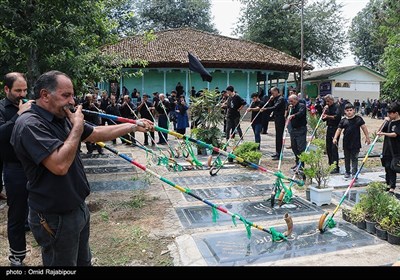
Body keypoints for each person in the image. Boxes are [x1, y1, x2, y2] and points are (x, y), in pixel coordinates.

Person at [10, 70, 154, 266]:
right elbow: (59, 165)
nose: (72, 101)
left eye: (72, 95)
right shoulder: (30, 124)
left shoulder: (60, 116)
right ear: (45, 95)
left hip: (77, 207)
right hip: (54, 216)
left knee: (83, 262)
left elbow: (94, 132)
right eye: (65, 95)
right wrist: (77, 127)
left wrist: (132, 126)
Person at [0, 72, 33, 266]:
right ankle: (17, 256)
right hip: (14, 169)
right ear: (6, 89)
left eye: (25, 90)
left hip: (36, 166)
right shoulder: (2, 108)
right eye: (17, 90)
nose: (22, 94)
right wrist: (19, 116)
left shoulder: (31, 105)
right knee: (17, 214)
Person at [333, 103, 370, 179]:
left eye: (351, 110)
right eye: (347, 110)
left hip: (355, 143)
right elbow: (339, 129)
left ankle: (354, 173)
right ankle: (347, 172)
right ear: (345, 111)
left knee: (355, 158)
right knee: (347, 158)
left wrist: (367, 137)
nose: (349, 112)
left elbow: (364, 128)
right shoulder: (343, 121)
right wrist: (335, 138)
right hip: (346, 143)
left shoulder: (358, 119)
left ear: (354, 111)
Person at [378, 101, 400, 195]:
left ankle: (392, 186)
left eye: (390, 113)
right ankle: (389, 186)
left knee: (394, 167)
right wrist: (385, 121)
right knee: (387, 167)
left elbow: (394, 134)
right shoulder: (389, 122)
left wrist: (383, 134)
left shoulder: (398, 123)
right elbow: (379, 131)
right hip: (386, 149)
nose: (389, 115)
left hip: (396, 150)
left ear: (396, 113)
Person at [263, 87, 286, 160]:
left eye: (273, 93)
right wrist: (271, 100)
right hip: (276, 118)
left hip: (280, 118)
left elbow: (275, 107)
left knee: (279, 136)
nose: (272, 94)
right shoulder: (276, 99)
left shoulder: (281, 99)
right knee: (277, 136)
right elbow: (271, 105)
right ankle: (277, 152)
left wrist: (266, 109)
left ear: (276, 91)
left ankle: (279, 153)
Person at [287, 94, 307, 170]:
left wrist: (293, 115)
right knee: (294, 147)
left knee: (301, 148)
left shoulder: (301, 106)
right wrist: (289, 110)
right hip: (293, 130)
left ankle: (301, 165)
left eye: (291, 101)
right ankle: (297, 162)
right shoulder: (292, 107)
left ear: (296, 100)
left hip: (301, 129)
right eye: (289, 101)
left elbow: (300, 113)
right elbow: (288, 116)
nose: (290, 103)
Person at [322, 94, 341, 173]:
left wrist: (328, 116)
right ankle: (330, 164)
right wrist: (324, 113)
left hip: (335, 129)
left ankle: (335, 166)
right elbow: (324, 119)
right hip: (329, 128)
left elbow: (337, 117)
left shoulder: (337, 106)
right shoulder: (327, 108)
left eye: (328, 101)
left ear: (332, 100)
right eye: (326, 101)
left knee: (334, 148)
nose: (327, 103)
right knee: (328, 147)